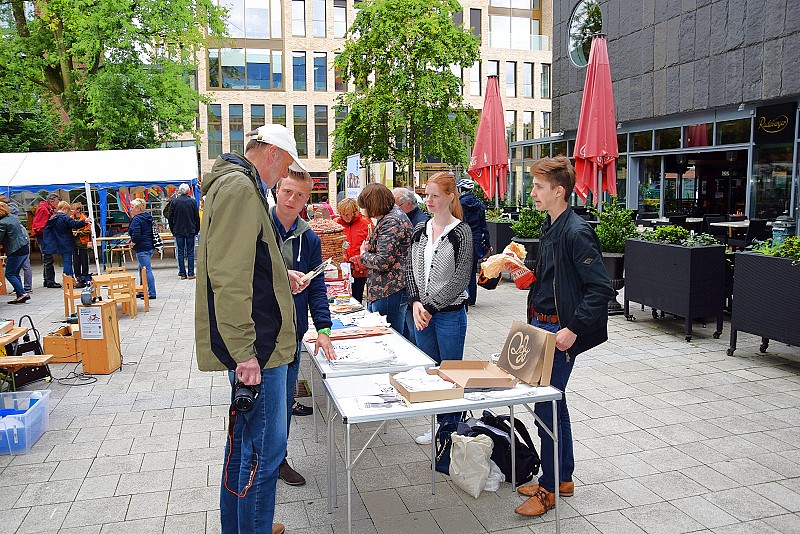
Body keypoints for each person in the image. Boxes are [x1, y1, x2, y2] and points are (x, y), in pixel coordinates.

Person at [196, 123, 307, 534]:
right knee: (264, 454)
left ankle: (243, 527)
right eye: (285, 166)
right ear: (274, 154)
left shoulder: (237, 186)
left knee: (245, 449)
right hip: (259, 349)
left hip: (257, 344)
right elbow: (228, 276)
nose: (284, 176)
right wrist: (245, 353)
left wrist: (283, 277)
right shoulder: (242, 189)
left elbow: (248, 264)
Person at [513, 156, 614, 517]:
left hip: (559, 331)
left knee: (546, 409)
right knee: (554, 404)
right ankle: (562, 478)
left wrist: (572, 329)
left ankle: (549, 487)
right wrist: (527, 276)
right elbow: (554, 277)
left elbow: (601, 288)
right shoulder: (551, 224)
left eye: (539, 186)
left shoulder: (576, 230)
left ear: (559, 190)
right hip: (542, 327)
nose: (533, 192)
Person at [271, 170, 337, 487]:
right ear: (276, 190)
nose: (292, 200)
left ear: (307, 199)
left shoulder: (309, 237)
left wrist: (323, 329)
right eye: (287, 192)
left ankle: (277, 460)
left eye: (299, 195)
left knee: (283, 401)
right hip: (259, 333)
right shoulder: (260, 228)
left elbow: (316, 286)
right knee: (256, 405)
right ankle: (257, 465)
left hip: (292, 334)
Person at [405, 172, 473, 445]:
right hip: (422, 313)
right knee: (430, 374)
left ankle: (451, 429)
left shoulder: (461, 232)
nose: (428, 200)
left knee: (450, 373)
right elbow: (410, 268)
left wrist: (430, 306)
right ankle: (437, 424)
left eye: (434, 195)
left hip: (449, 315)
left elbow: (461, 277)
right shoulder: (420, 229)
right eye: (426, 195)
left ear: (449, 197)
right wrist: (415, 302)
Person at [358, 183, 412, 334]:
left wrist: (363, 254)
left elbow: (383, 261)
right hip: (387, 288)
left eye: (366, 206)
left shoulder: (391, 221)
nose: (366, 211)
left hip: (389, 289)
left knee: (390, 336)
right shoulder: (392, 216)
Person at [457, 178, 492, 307]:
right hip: (476, 240)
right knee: (471, 271)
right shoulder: (479, 205)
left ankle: (464, 298)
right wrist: (488, 244)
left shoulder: (458, 204)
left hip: (463, 238)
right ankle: (472, 299)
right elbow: (484, 226)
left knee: (461, 269)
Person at [334, 197, 371, 303]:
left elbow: (372, 243)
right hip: (342, 267)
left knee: (357, 296)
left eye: (348, 214)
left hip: (359, 268)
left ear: (354, 212)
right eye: (342, 214)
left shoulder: (365, 223)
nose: (345, 217)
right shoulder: (336, 223)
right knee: (341, 297)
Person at [41, 201, 90, 280]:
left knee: (66, 262)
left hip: (58, 242)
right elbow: (74, 224)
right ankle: (68, 280)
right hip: (67, 242)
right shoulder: (64, 218)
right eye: (68, 210)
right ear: (64, 208)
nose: (68, 212)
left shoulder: (53, 217)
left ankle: (69, 279)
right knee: (67, 262)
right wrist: (84, 222)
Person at [167, 183, 201, 280]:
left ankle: (182, 273)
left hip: (178, 230)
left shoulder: (175, 202)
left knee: (180, 252)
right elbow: (196, 217)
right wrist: (196, 229)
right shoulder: (192, 202)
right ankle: (191, 273)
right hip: (190, 229)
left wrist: (172, 229)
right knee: (190, 252)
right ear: (188, 191)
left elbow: (170, 217)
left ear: (180, 191)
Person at [0, 195, 33, 294]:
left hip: (15, 249)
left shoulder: (2, 222)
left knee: (10, 274)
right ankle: (21, 293)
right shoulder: (12, 218)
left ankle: (22, 293)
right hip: (23, 247)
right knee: (16, 272)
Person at [127, 198, 157, 300]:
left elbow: (136, 234)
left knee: (146, 270)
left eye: (132, 207)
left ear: (138, 208)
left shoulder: (137, 219)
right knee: (141, 268)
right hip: (149, 246)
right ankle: (141, 289)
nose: (130, 209)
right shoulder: (147, 217)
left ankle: (151, 292)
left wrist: (133, 242)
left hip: (142, 248)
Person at [32, 193, 61, 288]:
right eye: (57, 203)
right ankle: (50, 281)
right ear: (51, 201)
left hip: (44, 236)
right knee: (48, 258)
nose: (58, 205)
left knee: (47, 258)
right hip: (44, 237)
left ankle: (47, 280)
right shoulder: (44, 210)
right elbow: (39, 226)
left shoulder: (46, 209)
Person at [70, 202, 92, 287]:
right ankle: (78, 276)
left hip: (82, 242)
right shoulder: (71, 218)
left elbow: (88, 230)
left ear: (78, 210)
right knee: (76, 260)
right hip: (73, 243)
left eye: (73, 209)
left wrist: (78, 232)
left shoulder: (84, 218)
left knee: (84, 259)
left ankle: (85, 276)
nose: (72, 211)